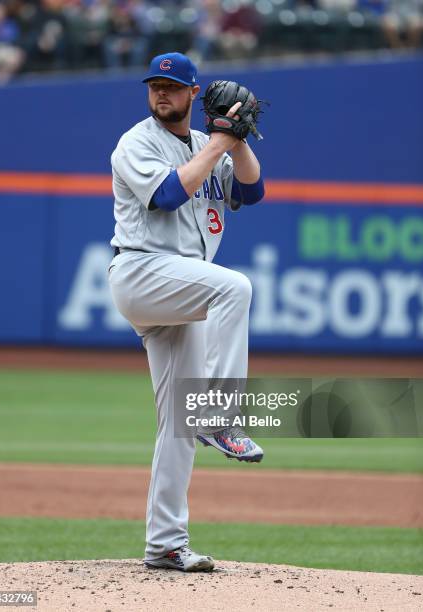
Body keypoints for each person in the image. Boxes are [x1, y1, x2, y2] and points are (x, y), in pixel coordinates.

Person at [108, 52, 265, 572]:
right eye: (155, 85)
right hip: (142, 273)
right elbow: (171, 193)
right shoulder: (135, 143)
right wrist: (221, 141)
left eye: (172, 87)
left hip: (180, 286)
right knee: (235, 289)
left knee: (179, 423)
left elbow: (252, 190)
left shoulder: (208, 146)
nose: (161, 94)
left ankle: (165, 544)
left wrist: (236, 140)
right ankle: (223, 415)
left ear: (193, 94)